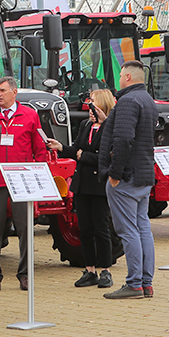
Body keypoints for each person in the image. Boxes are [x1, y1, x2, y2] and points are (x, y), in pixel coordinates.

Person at [0, 76, 49, 291]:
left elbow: (40, 150)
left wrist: (37, 176)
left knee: (24, 229)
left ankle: (24, 275)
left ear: (14, 92)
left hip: (21, 181)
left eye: (2, 90)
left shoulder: (30, 116)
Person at [98, 60, 157, 299]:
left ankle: (134, 284)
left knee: (128, 230)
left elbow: (123, 140)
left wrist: (114, 174)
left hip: (126, 177)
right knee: (143, 227)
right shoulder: (148, 101)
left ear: (129, 78)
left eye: (121, 75)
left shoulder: (128, 101)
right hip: (144, 174)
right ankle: (146, 282)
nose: (119, 78)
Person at [46, 89, 117, 289]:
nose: (89, 106)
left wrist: (82, 156)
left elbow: (106, 157)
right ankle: (90, 270)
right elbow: (76, 148)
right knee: (85, 229)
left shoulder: (109, 128)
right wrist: (61, 147)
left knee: (101, 229)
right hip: (82, 185)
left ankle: (106, 271)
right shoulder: (86, 125)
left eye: (93, 102)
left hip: (99, 185)